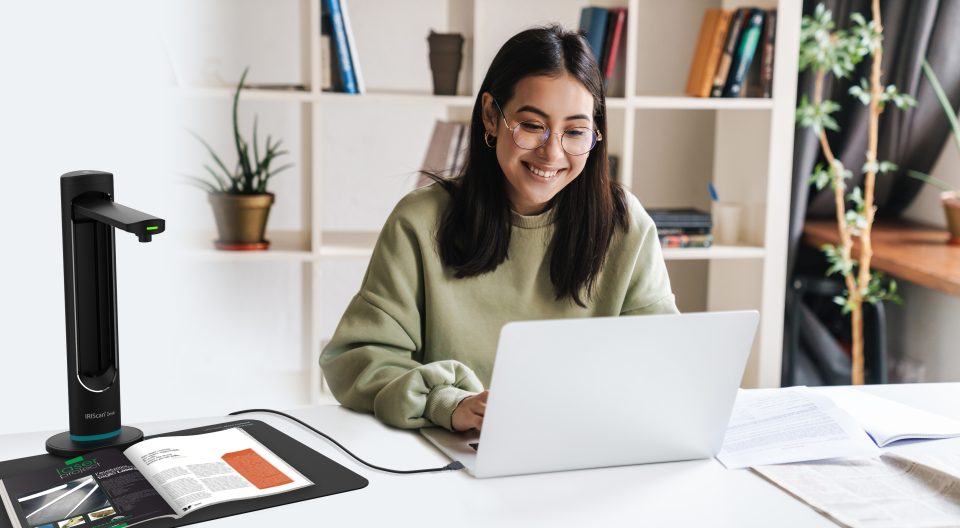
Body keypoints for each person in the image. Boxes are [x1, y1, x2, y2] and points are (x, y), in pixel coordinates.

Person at [320, 25, 678, 433]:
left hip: (587, 446)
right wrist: (445, 402)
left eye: (575, 132)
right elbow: (357, 357)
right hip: (453, 455)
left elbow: (662, 361)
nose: (552, 151)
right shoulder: (420, 222)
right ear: (491, 115)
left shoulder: (625, 226)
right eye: (531, 125)